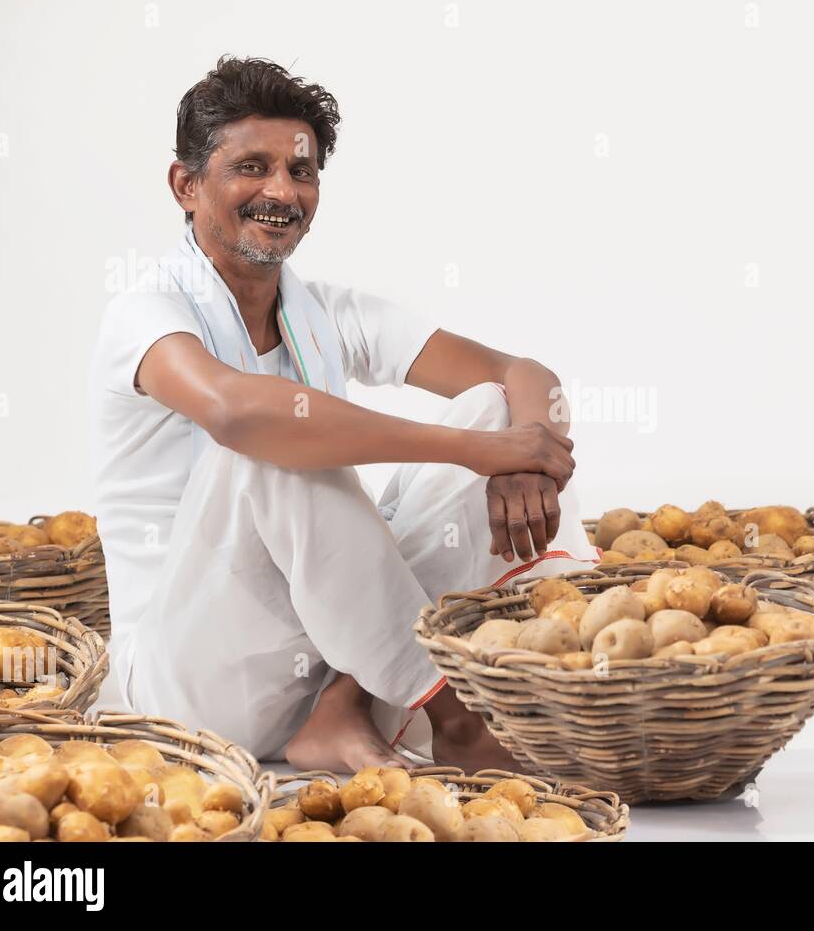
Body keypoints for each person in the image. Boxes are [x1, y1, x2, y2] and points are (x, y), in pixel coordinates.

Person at [88, 56, 598, 772]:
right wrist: (470, 453)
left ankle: (342, 710)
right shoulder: (147, 311)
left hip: (323, 660)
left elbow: (524, 375)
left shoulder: (327, 310)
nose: (281, 191)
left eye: (301, 171)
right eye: (251, 167)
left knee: (492, 409)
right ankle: (455, 719)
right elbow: (238, 415)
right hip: (189, 685)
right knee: (274, 445)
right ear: (186, 185)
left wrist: (524, 452)